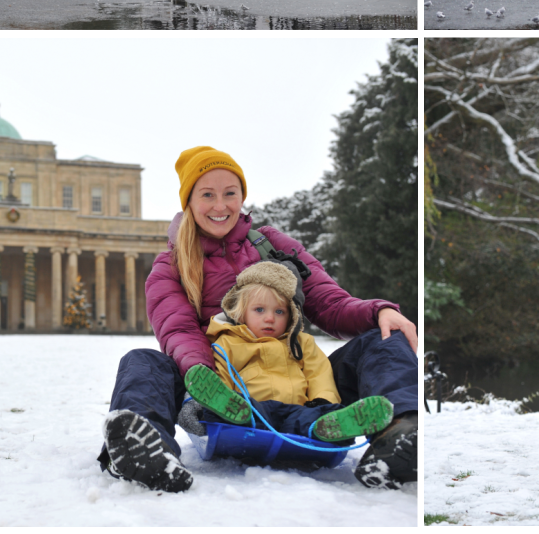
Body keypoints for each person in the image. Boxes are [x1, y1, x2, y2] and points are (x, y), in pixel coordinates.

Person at [98, 147, 418, 493]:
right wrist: (206, 382)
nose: (220, 206)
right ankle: (141, 449)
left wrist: (378, 310)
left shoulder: (272, 245)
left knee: (385, 337)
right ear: (189, 201)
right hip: (224, 387)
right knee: (142, 362)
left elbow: (329, 302)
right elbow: (179, 331)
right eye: (207, 195)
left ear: (242, 197)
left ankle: (398, 438)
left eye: (230, 193)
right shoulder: (170, 267)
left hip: (296, 378)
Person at [187, 262, 394, 442]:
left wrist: (322, 402)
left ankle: (332, 426)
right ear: (241, 312)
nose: (270, 318)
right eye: (259, 310)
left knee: (315, 418)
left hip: (299, 409)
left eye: (279, 311)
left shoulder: (301, 343)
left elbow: (319, 375)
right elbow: (223, 375)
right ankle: (230, 410)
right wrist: (226, 398)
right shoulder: (229, 343)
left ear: (291, 315)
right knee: (240, 413)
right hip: (252, 409)